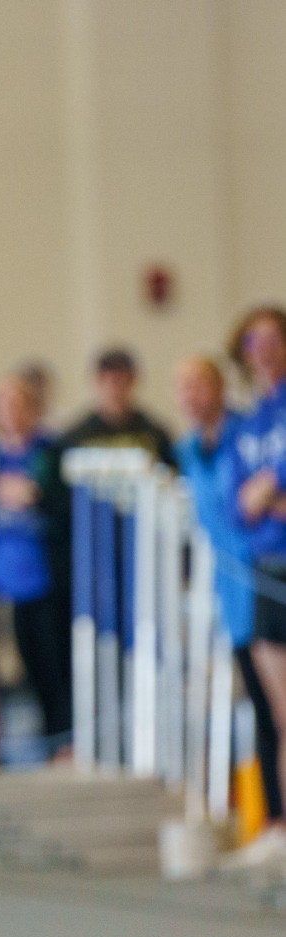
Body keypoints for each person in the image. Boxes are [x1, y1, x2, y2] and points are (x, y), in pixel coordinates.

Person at [175, 354, 283, 863]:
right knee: (261, 710)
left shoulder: (247, 435)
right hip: (227, 594)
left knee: (273, 708)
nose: (192, 396)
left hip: (261, 576)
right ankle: (272, 819)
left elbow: (252, 508)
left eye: (201, 384)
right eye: (184, 388)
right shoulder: (185, 451)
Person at [0, 375, 72, 758]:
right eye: (4, 405)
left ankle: (60, 743)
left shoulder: (51, 452)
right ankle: (28, 749)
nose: (12, 414)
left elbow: (57, 502)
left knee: (52, 666)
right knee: (15, 672)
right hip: (0, 580)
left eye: (20, 405)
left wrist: (31, 494)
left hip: (45, 578)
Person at [229, 308, 286, 862]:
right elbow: (237, 504)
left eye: (274, 340)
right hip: (268, 570)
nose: (264, 351)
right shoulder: (249, 423)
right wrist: (266, 496)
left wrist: (270, 493)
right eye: (254, 342)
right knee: (278, 711)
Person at [57, 347, 174, 469]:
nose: (113, 388)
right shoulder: (76, 436)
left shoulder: (154, 434)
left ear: (132, 380)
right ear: (97, 381)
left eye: (120, 380)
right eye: (107, 380)